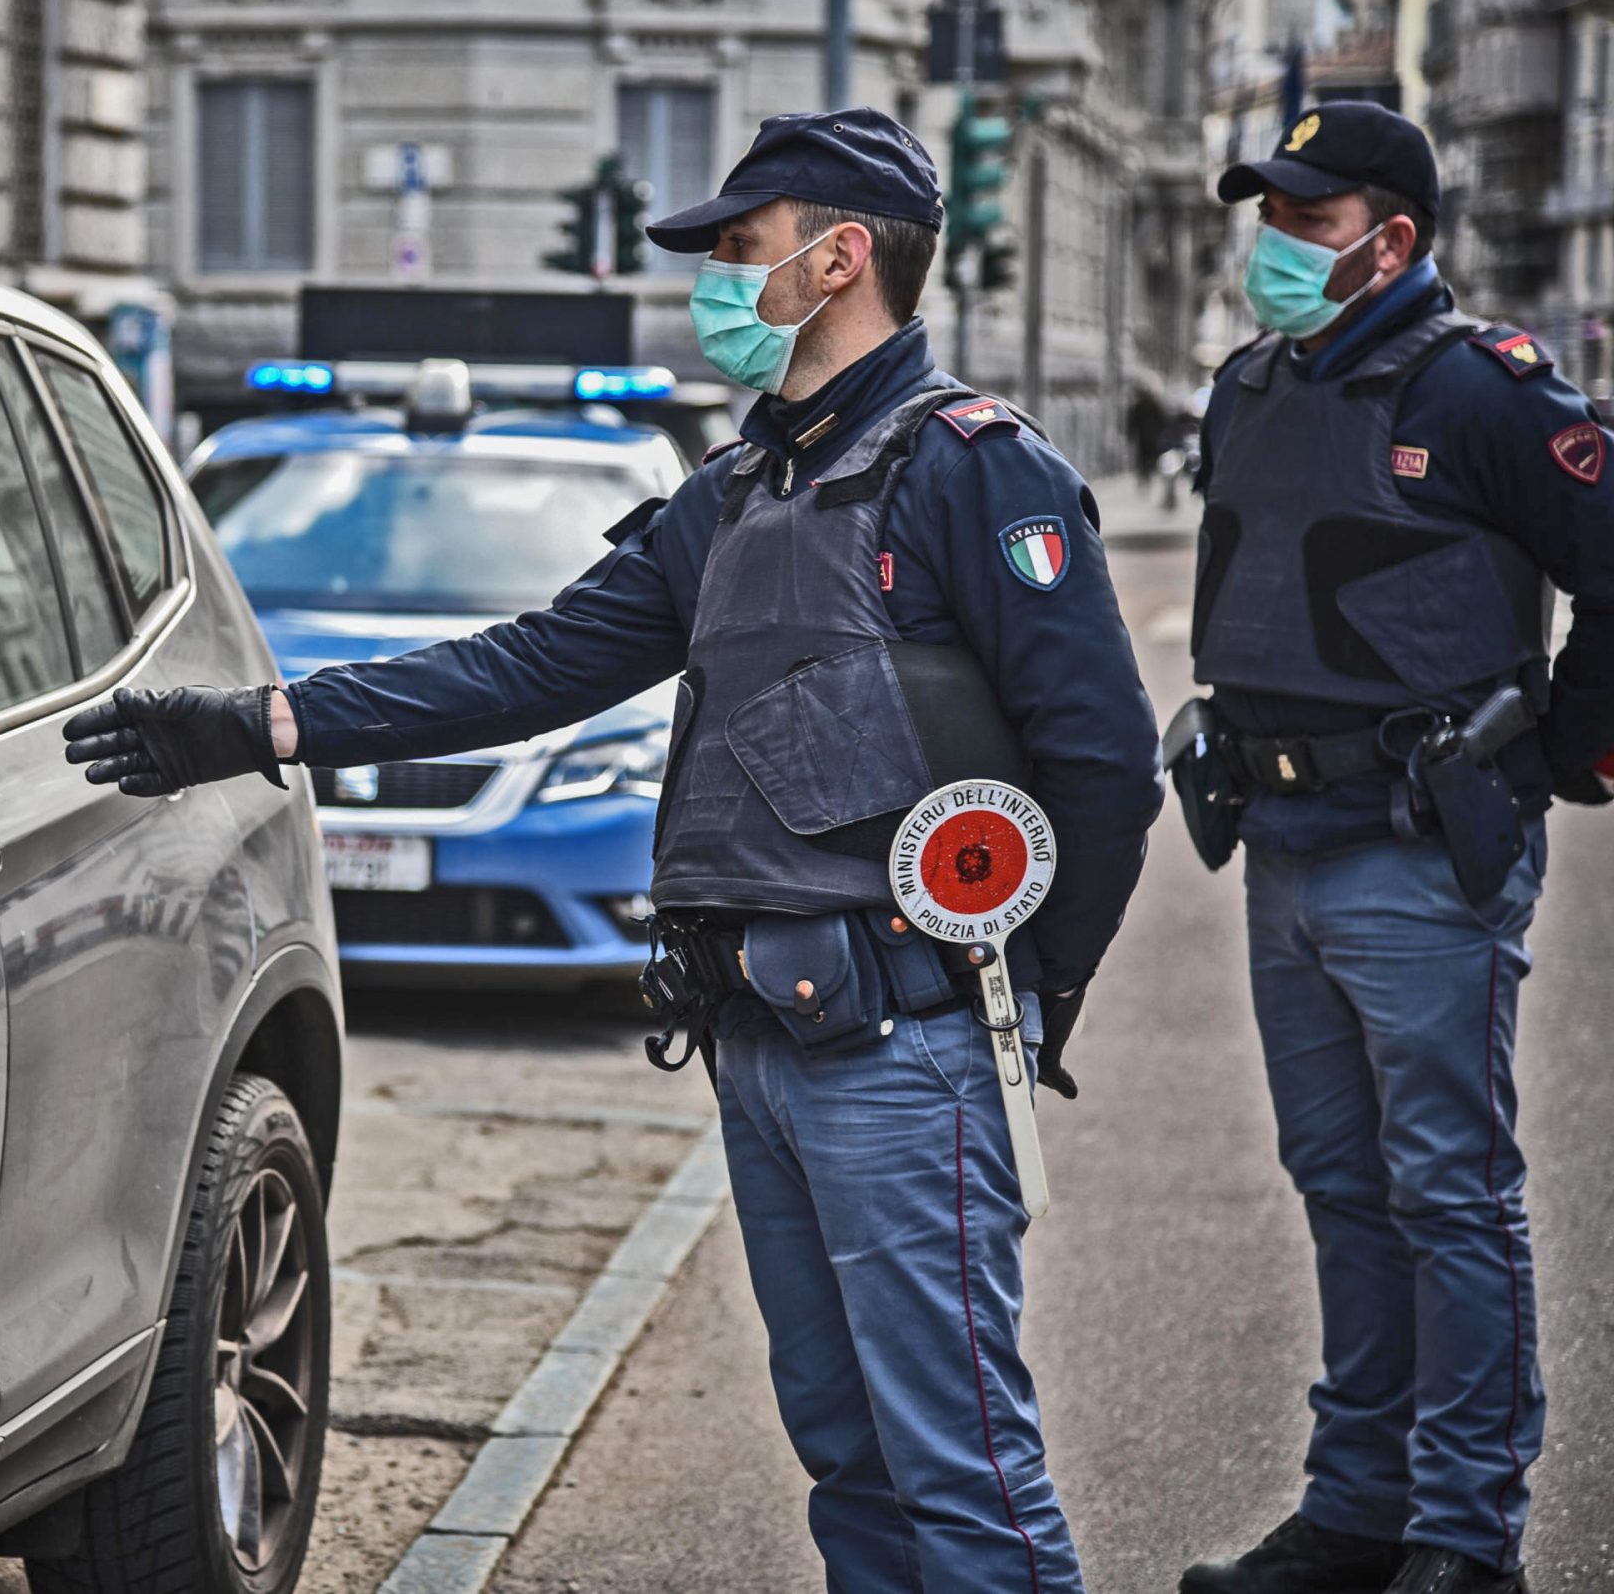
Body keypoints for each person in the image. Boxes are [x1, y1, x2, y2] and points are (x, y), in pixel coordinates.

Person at [63, 111, 1164, 1593]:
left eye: (740, 248)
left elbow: (1103, 764)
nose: (715, 278)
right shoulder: (740, 488)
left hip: (903, 1043)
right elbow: (528, 665)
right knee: (849, 1460)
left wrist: (1025, 989)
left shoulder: (974, 469)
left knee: (961, 1473)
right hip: (761, 1037)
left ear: (840, 259)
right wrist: (260, 723)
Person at [1172, 102, 1614, 1594]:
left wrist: (1562, 752)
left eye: (1307, 220)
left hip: (1420, 850)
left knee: (1446, 1195)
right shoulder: (1248, 386)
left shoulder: (1483, 391)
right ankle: (1359, 1512)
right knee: (1342, 1188)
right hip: (1282, 842)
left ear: (1393, 238)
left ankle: (1464, 1537)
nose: (1275, 245)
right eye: (1270, 217)